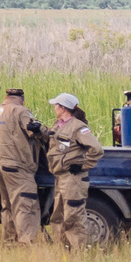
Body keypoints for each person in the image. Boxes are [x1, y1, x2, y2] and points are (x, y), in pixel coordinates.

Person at [0, 86, 45, 244]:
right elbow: (35, 131)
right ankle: (26, 243)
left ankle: (9, 242)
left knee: (8, 206)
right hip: (18, 166)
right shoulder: (21, 112)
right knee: (26, 205)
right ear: (22, 100)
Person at [46, 92, 105, 246]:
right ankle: (63, 252)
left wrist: (83, 165)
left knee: (74, 218)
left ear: (63, 108)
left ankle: (79, 254)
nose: (54, 108)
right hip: (60, 177)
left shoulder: (78, 127)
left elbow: (97, 149)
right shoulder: (58, 125)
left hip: (73, 179)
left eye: (56, 105)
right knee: (58, 217)